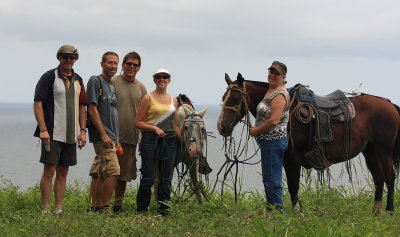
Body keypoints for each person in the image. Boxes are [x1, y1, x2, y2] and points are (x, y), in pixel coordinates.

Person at [33, 44, 87, 214]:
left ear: (76, 59)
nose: (68, 60)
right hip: (52, 133)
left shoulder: (78, 79)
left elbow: (82, 107)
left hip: (71, 134)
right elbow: (38, 103)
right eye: (65, 57)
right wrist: (42, 129)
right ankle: (45, 209)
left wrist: (83, 131)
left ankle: (58, 209)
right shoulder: (49, 77)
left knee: (63, 172)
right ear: (59, 58)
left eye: (72, 57)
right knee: (49, 170)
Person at [135, 67, 179, 215]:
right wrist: (154, 129)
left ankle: (164, 208)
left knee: (166, 176)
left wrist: (184, 141)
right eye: (158, 76)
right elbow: (138, 122)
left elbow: (176, 124)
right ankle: (142, 209)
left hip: (170, 140)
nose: (162, 79)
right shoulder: (148, 98)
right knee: (148, 176)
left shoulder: (174, 100)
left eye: (165, 77)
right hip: (150, 140)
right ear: (154, 79)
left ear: (169, 80)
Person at [249, 61, 290, 212]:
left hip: (274, 141)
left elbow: (274, 120)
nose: (272, 75)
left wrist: (257, 130)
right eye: (270, 71)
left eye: (276, 73)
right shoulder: (270, 91)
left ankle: (277, 212)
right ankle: (271, 208)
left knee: (272, 179)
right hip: (269, 141)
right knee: (269, 177)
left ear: (283, 76)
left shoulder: (279, 94)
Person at [111, 52, 147, 213]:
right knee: (106, 172)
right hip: (111, 137)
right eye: (129, 64)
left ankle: (117, 206)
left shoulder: (141, 87)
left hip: (131, 137)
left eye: (135, 64)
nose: (132, 67)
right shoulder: (112, 82)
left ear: (139, 68)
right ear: (123, 65)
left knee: (123, 175)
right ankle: (99, 205)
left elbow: (146, 113)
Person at [86, 52, 120, 214]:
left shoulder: (111, 85)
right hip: (103, 136)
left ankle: (95, 207)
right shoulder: (95, 81)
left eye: (115, 63)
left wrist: (116, 138)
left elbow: (112, 113)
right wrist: (103, 134)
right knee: (113, 171)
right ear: (102, 64)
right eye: (110, 63)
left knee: (100, 172)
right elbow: (92, 109)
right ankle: (105, 207)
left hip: (111, 136)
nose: (113, 66)